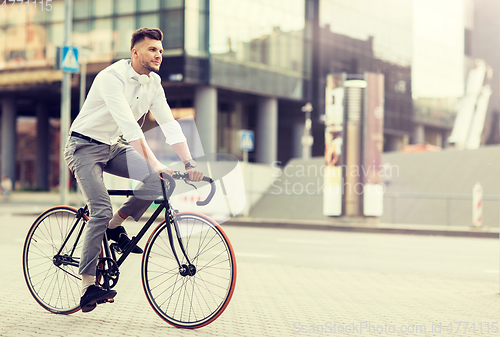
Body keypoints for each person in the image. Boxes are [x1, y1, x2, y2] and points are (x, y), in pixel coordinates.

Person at [64, 27, 203, 313]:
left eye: (161, 51)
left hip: (113, 146)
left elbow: (169, 124)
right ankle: (88, 285)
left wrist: (189, 162)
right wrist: (154, 161)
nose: (158, 55)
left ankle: (115, 227)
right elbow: (129, 126)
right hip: (84, 147)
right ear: (135, 52)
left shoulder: (154, 83)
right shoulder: (111, 78)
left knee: (160, 182)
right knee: (100, 209)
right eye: (152, 49)